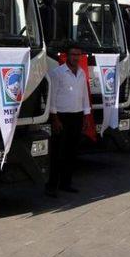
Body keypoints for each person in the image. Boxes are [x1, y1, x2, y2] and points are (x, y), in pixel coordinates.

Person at [45, 43, 91, 197]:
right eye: (73, 54)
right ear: (66, 56)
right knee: (57, 153)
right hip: (62, 117)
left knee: (71, 152)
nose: (76, 57)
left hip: (77, 116)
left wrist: (86, 116)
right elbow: (51, 97)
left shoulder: (82, 73)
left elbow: (84, 95)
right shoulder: (57, 73)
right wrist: (55, 118)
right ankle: (52, 186)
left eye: (78, 55)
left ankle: (66, 183)